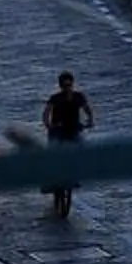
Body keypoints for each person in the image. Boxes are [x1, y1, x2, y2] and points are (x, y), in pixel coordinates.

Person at [44, 72, 93, 217]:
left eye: (70, 84)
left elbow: (87, 109)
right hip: (58, 130)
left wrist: (90, 120)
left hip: (73, 129)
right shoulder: (55, 98)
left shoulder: (79, 97)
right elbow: (46, 113)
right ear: (60, 86)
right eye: (65, 85)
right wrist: (48, 125)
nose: (68, 87)